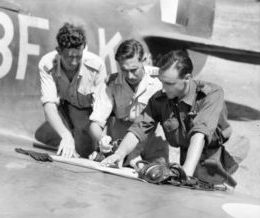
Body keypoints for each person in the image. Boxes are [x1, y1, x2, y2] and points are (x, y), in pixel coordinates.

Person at [101, 50, 241, 187]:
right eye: (162, 82)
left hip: (213, 153)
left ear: (187, 78)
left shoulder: (211, 94)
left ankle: (233, 159)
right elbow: (139, 127)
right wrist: (120, 153)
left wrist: (185, 173)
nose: (163, 88)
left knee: (205, 193)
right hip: (187, 152)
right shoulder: (160, 98)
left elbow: (199, 133)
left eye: (169, 83)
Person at [89, 39, 168, 166]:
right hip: (122, 143)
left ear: (145, 60)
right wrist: (101, 139)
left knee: (158, 174)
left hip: (152, 141)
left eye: (134, 69)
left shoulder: (161, 81)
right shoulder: (111, 83)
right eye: (124, 70)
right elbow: (96, 122)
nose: (130, 76)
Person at [36, 22, 107, 158]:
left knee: (86, 151)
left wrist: (100, 142)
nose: (74, 62)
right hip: (67, 110)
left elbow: (102, 110)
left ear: (83, 49)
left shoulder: (97, 66)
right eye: (69, 57)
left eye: (78, 56)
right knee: (46, 137)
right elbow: (49, 105)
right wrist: (65, 134)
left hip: (90, 117)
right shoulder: (47, 64)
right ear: (59, 51)